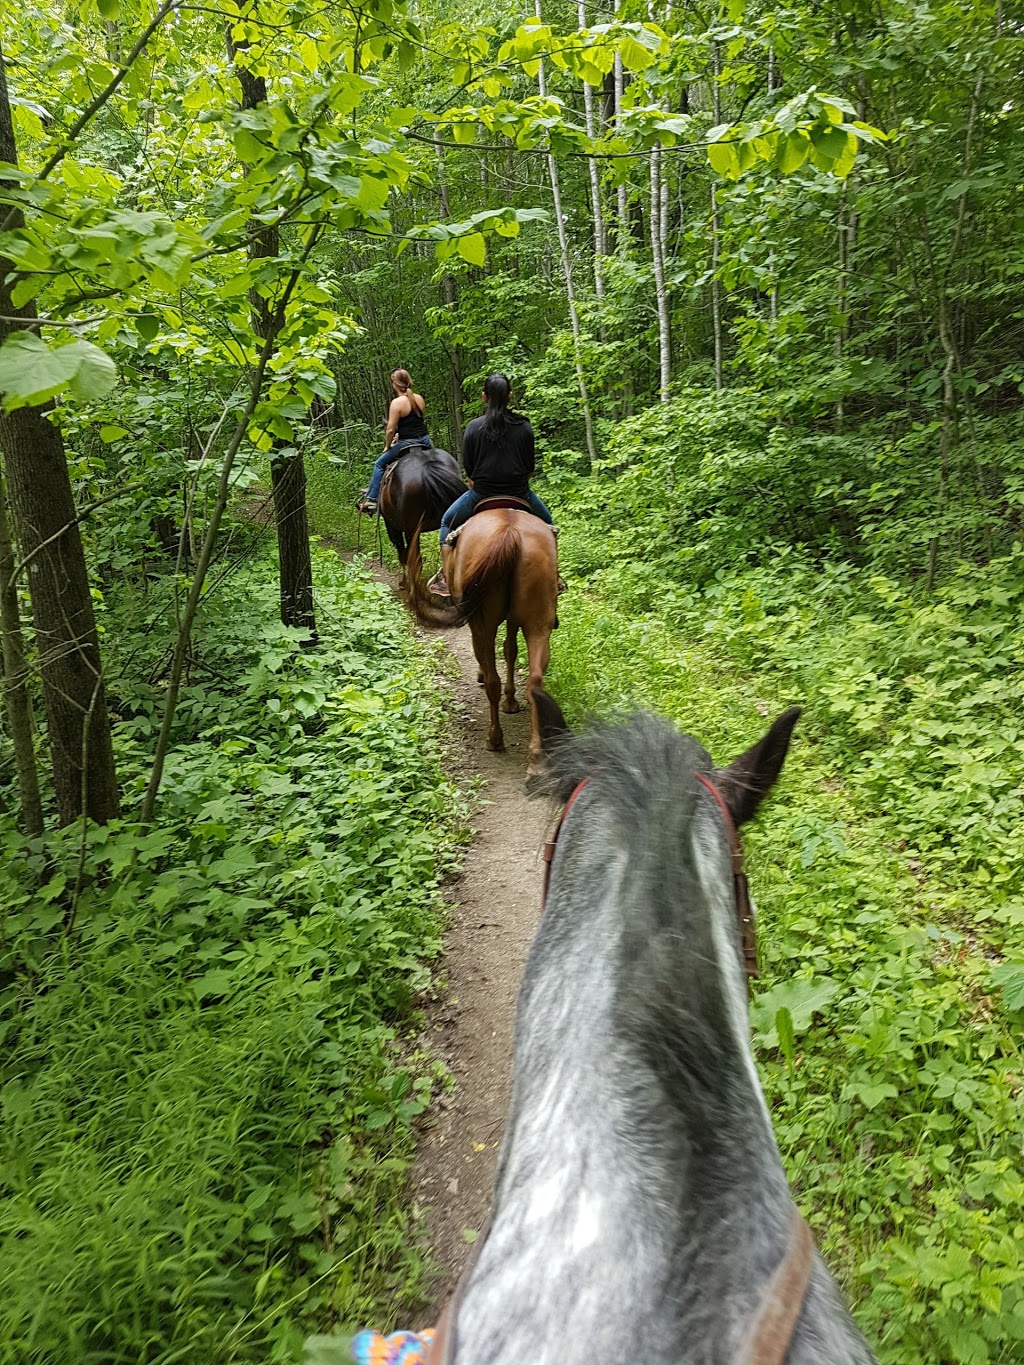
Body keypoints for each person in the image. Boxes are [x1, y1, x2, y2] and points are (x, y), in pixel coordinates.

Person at [430, 373, 556, 596]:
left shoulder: (473, 427)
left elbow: (469, 468)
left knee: (446, 524)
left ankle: (448, 579)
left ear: (483, 397)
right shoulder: (524, 426)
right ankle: (553, 578)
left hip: (482, 494)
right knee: (550, 526)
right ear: (509, 396)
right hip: (520, 494)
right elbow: (529, 465)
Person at [357, 369, 432, 515]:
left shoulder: (396, 403)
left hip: (406, 443)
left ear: (395, 384)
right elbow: (415, 421)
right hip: (424, 440)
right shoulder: (419, 399)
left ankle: (372, 499)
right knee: (438, 462)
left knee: (379, 464)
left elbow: (390, 429)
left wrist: (387, 446)